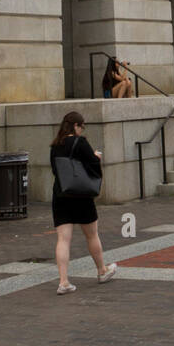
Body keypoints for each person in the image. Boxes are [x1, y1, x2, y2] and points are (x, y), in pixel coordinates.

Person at [50, 111, 117, 293]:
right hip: (81, 196)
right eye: (82, 126)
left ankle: (63, 282)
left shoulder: (56, 145)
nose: (82, 130)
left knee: (63, 239)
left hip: (61, 194)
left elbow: (56, 171)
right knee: (92, 235)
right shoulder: (80, 142)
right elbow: (92, 164)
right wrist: (96, 156)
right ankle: (102, 271)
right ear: (76, 125)